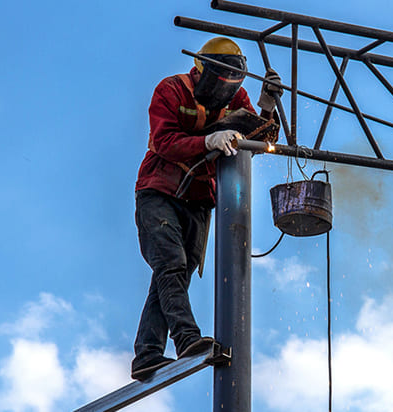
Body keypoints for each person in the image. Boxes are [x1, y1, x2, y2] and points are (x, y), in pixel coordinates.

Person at [130, 37, 282, 381]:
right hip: (160, 191)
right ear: (200, 71)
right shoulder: (171, 90)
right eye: (219, 83)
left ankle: (147, 353)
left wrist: (266, 108)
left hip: (199, 199)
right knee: (171, 264)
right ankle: (187, 340)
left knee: (174, 273)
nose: (223, 92)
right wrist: (206, 141)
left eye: (231, 85)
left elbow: (259, 141)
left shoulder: (236, 99)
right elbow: (163, 142)